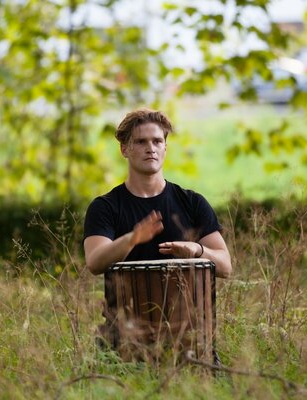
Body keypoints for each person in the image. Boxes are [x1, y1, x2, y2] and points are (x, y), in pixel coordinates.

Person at [83, 107, 232, 351]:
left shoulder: (192, 203)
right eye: (141, 141)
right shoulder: (105, 207)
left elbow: (225, 266)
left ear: (165, 147)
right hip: (125, 341)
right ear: (124, 149)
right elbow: (95, 262)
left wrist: (196, 249)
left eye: (157, 141)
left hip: (189, 341)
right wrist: (132, 238)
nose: (150, 148)